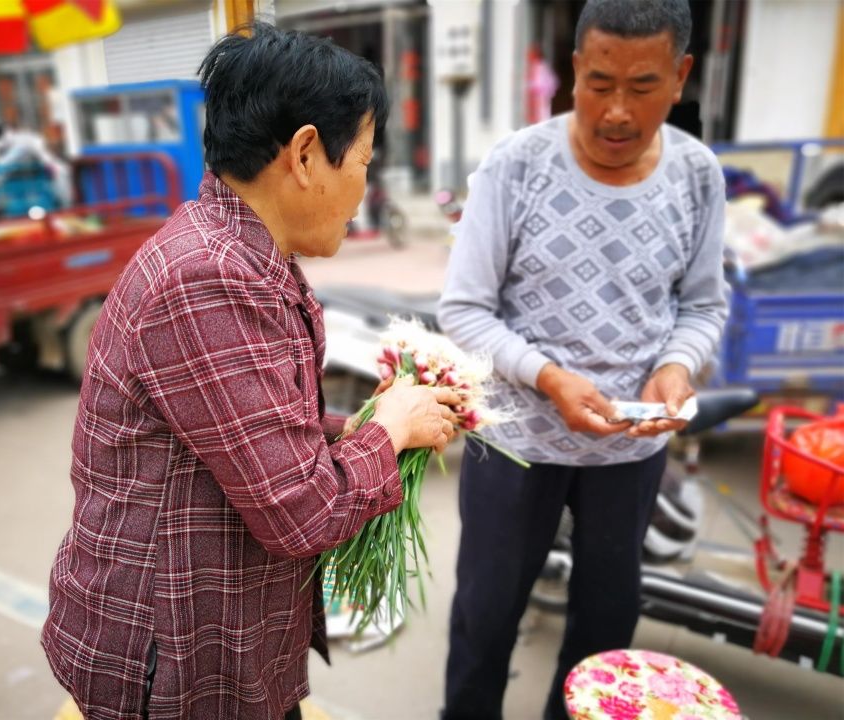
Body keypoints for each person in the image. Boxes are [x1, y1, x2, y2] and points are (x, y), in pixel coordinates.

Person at [41, 23, 461, 720]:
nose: (363, 188)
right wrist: (385, 435)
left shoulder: (236, 250)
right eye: (361, 160)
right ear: (304, 154)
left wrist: (360, 425)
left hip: (216, 635)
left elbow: (258, 426)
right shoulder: (209, 277)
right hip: (169, 659)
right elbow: (302, 512)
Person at [437, 1, 728, 718]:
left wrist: (677, 367)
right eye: (599, 84)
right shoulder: (516, 165)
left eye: (643, 86)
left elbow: (702, 306)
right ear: (573, 72)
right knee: (485, 614)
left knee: (606, 627)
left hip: (630, 451)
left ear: (681, 76)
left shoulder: (697, 175)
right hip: (515, 443)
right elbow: (463, 309)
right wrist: (547, 376)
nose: (618, 112)